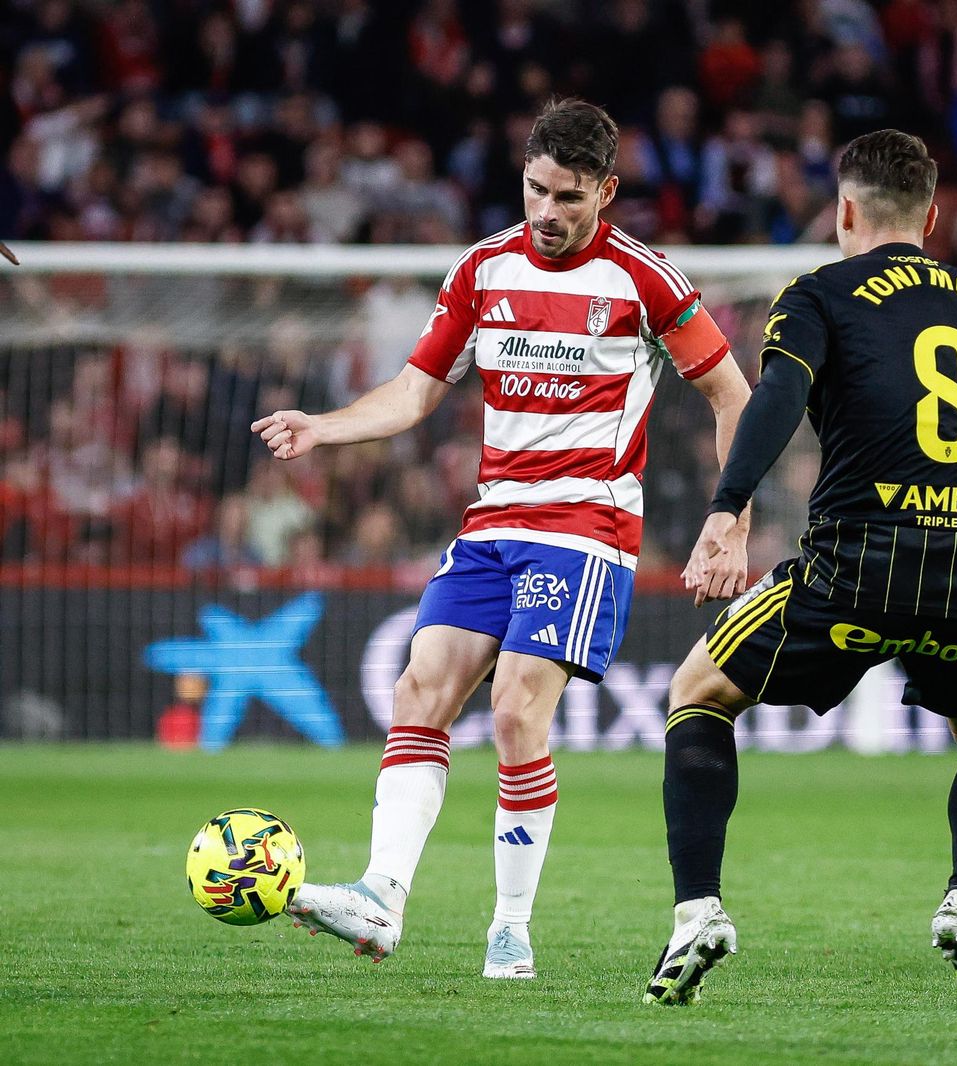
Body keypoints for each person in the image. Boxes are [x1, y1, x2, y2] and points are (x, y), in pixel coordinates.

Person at [250, 98, 752, 980]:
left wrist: (729, 520)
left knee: (518, 707)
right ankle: (380, 898)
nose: (547, 213)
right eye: (534, 191)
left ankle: (510, 927)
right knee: (419, 688)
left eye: (567, 197)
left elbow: (732, 397)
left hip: (586, 528)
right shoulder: (481, 268)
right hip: (492, 523)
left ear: (606, 190)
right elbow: (413, 392)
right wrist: (324, 428)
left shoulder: (646, 281)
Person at [643, 130, 957, 1007]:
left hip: (859, 565)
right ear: (933, 217)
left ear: (845, 211)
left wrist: (725, 512)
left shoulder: (818, 292)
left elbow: (777, 398)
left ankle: (697, 913)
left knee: (698, 693)